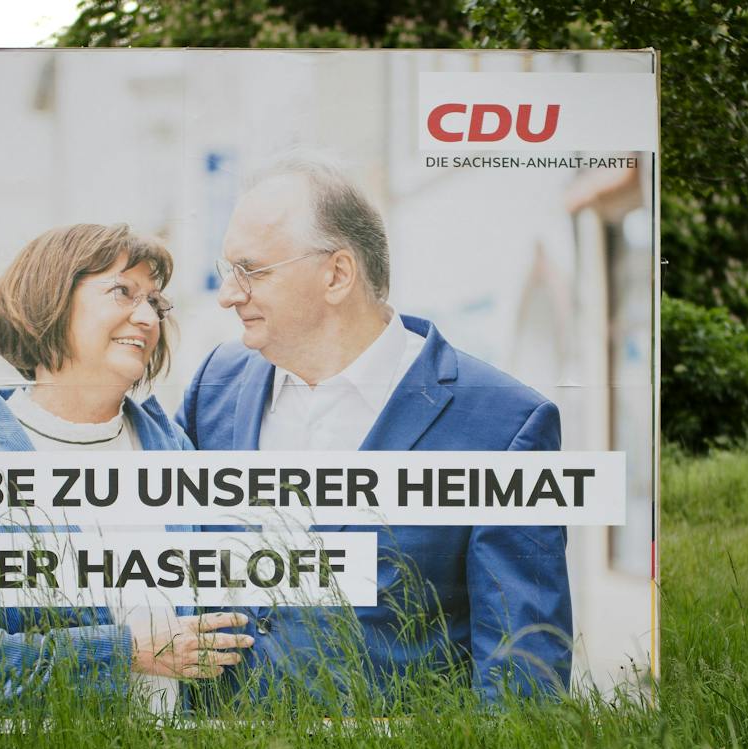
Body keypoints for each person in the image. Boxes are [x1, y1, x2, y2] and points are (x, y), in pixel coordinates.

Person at [175, 157, 572, 704]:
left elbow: (524, 674)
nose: (229, 294)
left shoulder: (505, 426)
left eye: (252, 270)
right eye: (228, 271)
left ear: (337, 274)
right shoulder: (214, 387)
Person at [0, 223, 252, 716]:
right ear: (50, 301)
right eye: (122, 292)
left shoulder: (175, 452)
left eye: (156, 302)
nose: (147, 316)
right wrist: (126, 651)